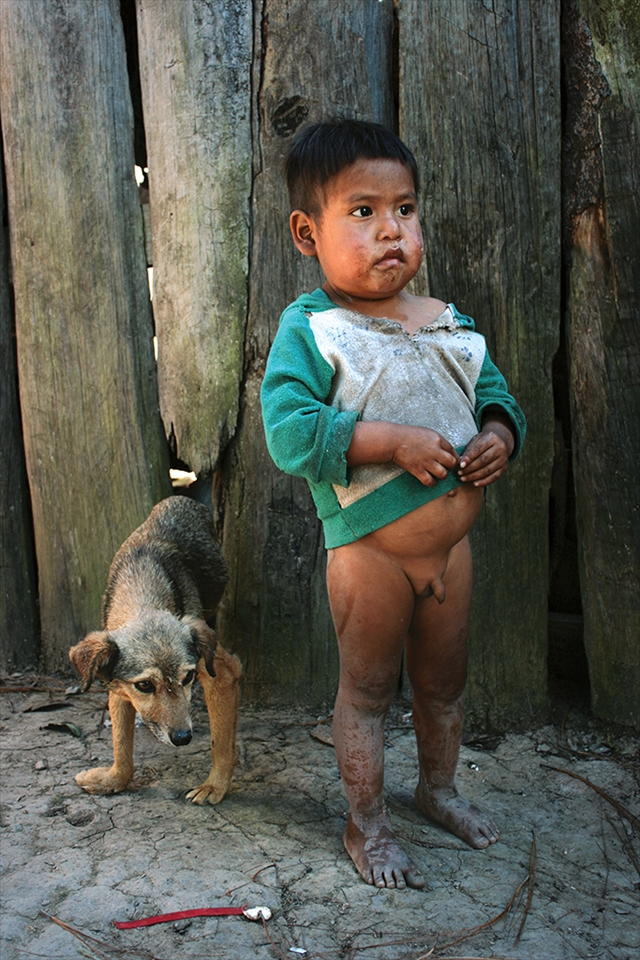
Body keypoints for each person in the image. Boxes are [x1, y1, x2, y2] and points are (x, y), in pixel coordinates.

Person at [260, 118, 526, 889]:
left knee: (445, 682)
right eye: (364, 211)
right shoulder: (315, 329)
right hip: (371, 552)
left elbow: (496, 397)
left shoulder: (448, 322)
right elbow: (289, 430)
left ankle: (437, 789)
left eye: (405, 210)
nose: (391, 231)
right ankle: (366, 822)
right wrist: (390, 442)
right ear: (308, 233)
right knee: (370, 691)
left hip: (451, 552)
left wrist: (501, 435)